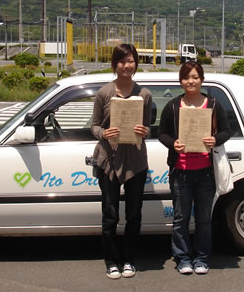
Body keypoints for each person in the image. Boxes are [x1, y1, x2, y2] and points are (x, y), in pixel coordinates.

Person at [158, 61, 230, 275]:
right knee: (180, 218)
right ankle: (182, 258)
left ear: (202, 79)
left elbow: (227, 131)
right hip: (180, 171)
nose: (191, 81)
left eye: (196, 77)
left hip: (206, 171)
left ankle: (201, 258)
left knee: (204, 218)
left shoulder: (213, 105)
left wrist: (214, 140)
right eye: (187, 77)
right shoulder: (172, 106)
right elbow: (162, 133)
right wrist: (173, 144)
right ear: (181, 81)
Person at [91, 44, 152, 279]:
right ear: (115, 64)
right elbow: (94, 125)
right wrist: (103, 134)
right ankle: (111, 261)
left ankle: (129, 259)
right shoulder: (104, 93)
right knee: (110, 215)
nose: (127, 65)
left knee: (134, 215)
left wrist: (144, 130)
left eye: (131, 60)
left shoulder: (144, 94)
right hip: (109, 159)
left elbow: (147, 125)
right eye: (122, 61)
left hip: (135, 160)